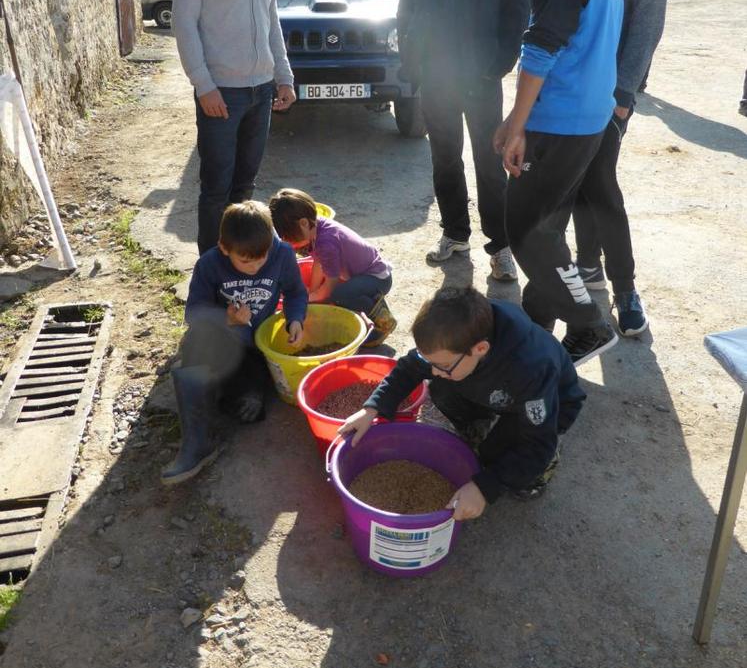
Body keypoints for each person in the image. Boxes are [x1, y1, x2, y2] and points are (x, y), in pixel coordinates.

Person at [493, 0, 628, 366]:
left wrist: (515, 123)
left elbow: (542, 51)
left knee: (528, 229)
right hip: (591, 119)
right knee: (548, 222)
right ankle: (535, 321)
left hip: (560, 119)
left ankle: (590, 325)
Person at [553, 0, 675, 336]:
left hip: (612, 89)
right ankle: (589, 266)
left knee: (600, 181)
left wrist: (622, 94)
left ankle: (624, 289)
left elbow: (647, 22)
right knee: (583, 179)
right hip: (575, 84)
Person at [339, 286, 585, 517]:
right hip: (494, 388)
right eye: (432, 363)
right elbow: (410, 368)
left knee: (498, 457)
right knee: (441, 387)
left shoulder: (530, 368)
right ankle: (479, 424)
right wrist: (372, 409)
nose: (434, 370)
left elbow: (537, 444)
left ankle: (543, 467)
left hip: (549, 402)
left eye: (443, 365)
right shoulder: (453, 340)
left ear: (480, 348)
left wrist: (485, 488)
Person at [397, 0, 529, 281]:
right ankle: (455, 234)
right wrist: (412, 65)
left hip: (481, 77)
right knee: (444, 160)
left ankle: (500, 245)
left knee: (490, 163)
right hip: (436, 77)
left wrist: (499, 63)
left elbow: (517, 8)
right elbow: (407, 12)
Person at [172, 0, 297, 256]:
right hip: (221, 93)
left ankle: (239, 263)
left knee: (245, 186)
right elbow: (185, 24)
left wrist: (284, 75)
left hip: (261, 90)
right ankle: (211, 267)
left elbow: (271, 20)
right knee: (216, 187)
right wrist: (203, 84)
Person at [161, 201, 307, 485]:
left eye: (261, 259)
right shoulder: (210, 263)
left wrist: (295, 320)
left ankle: (211, 390)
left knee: (250, 409)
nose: (254, 267)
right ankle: (197, 445)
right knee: (197, 354)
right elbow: (194, 312)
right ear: (224, 248)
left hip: (253, 346)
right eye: (245, 261)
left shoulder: (282, 254)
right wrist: (226, 319)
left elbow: (295, 292)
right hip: (219, 337)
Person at [269, 188, 396, 346]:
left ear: (303, 223)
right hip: (361, 276)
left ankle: (382, 321)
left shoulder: (326, 243)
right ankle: (367, 300)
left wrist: (306, 299)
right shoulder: (317, 227)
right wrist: (313, 291)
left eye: (290, 238)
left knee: (339, 295)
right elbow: (318, 263)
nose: (289, 243)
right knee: (333, 294)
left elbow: (329, 288)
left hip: (377, 279)